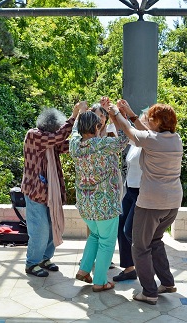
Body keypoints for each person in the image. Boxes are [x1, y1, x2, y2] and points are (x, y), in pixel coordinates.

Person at [112, 99, 182, 305]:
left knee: (140, 246)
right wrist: (132, 113)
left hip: (152, 203)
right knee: (155, 240)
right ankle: (167, 283)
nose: (148, 119)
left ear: (158, 122)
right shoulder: (174, 138)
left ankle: (149, 292)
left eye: (151, 117)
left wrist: (116, 113)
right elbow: (145, 132)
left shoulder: (152, 140)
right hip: (172, 203)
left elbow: (130, 131)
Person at [71, 104, 129, 292]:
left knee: (95, 236)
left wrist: (79, 113)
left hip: (85, 204)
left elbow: (73, 131)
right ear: (96, 128)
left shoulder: (74, 144)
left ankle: (84, 270)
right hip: (105, 204)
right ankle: (100, 281)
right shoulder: (101, 144)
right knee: (106, 242)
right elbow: (123, 141)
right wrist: (118, 118)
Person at [21, 103, 81, 277]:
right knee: (40, 229)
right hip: (35, 191)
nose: (57, 133)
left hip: (50, 193)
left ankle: (44, 259)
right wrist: (74, 115)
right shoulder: (34, 135)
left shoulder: (50, 140)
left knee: (53, 225)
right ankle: (32, 263)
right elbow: (59, 137)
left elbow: (66, 145)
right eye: (56, 129)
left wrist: (89, 134)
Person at [113, 112, 149, 282]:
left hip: (143, 192)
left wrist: (121, 113)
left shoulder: (149, 142)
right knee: (121, 226)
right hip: (130, 190)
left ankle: (146, 267)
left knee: (130, 231)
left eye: (142, 120)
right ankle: (129, 268)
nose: (138, 123)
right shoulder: (135, 141)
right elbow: (123, 131)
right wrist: (114, 115)